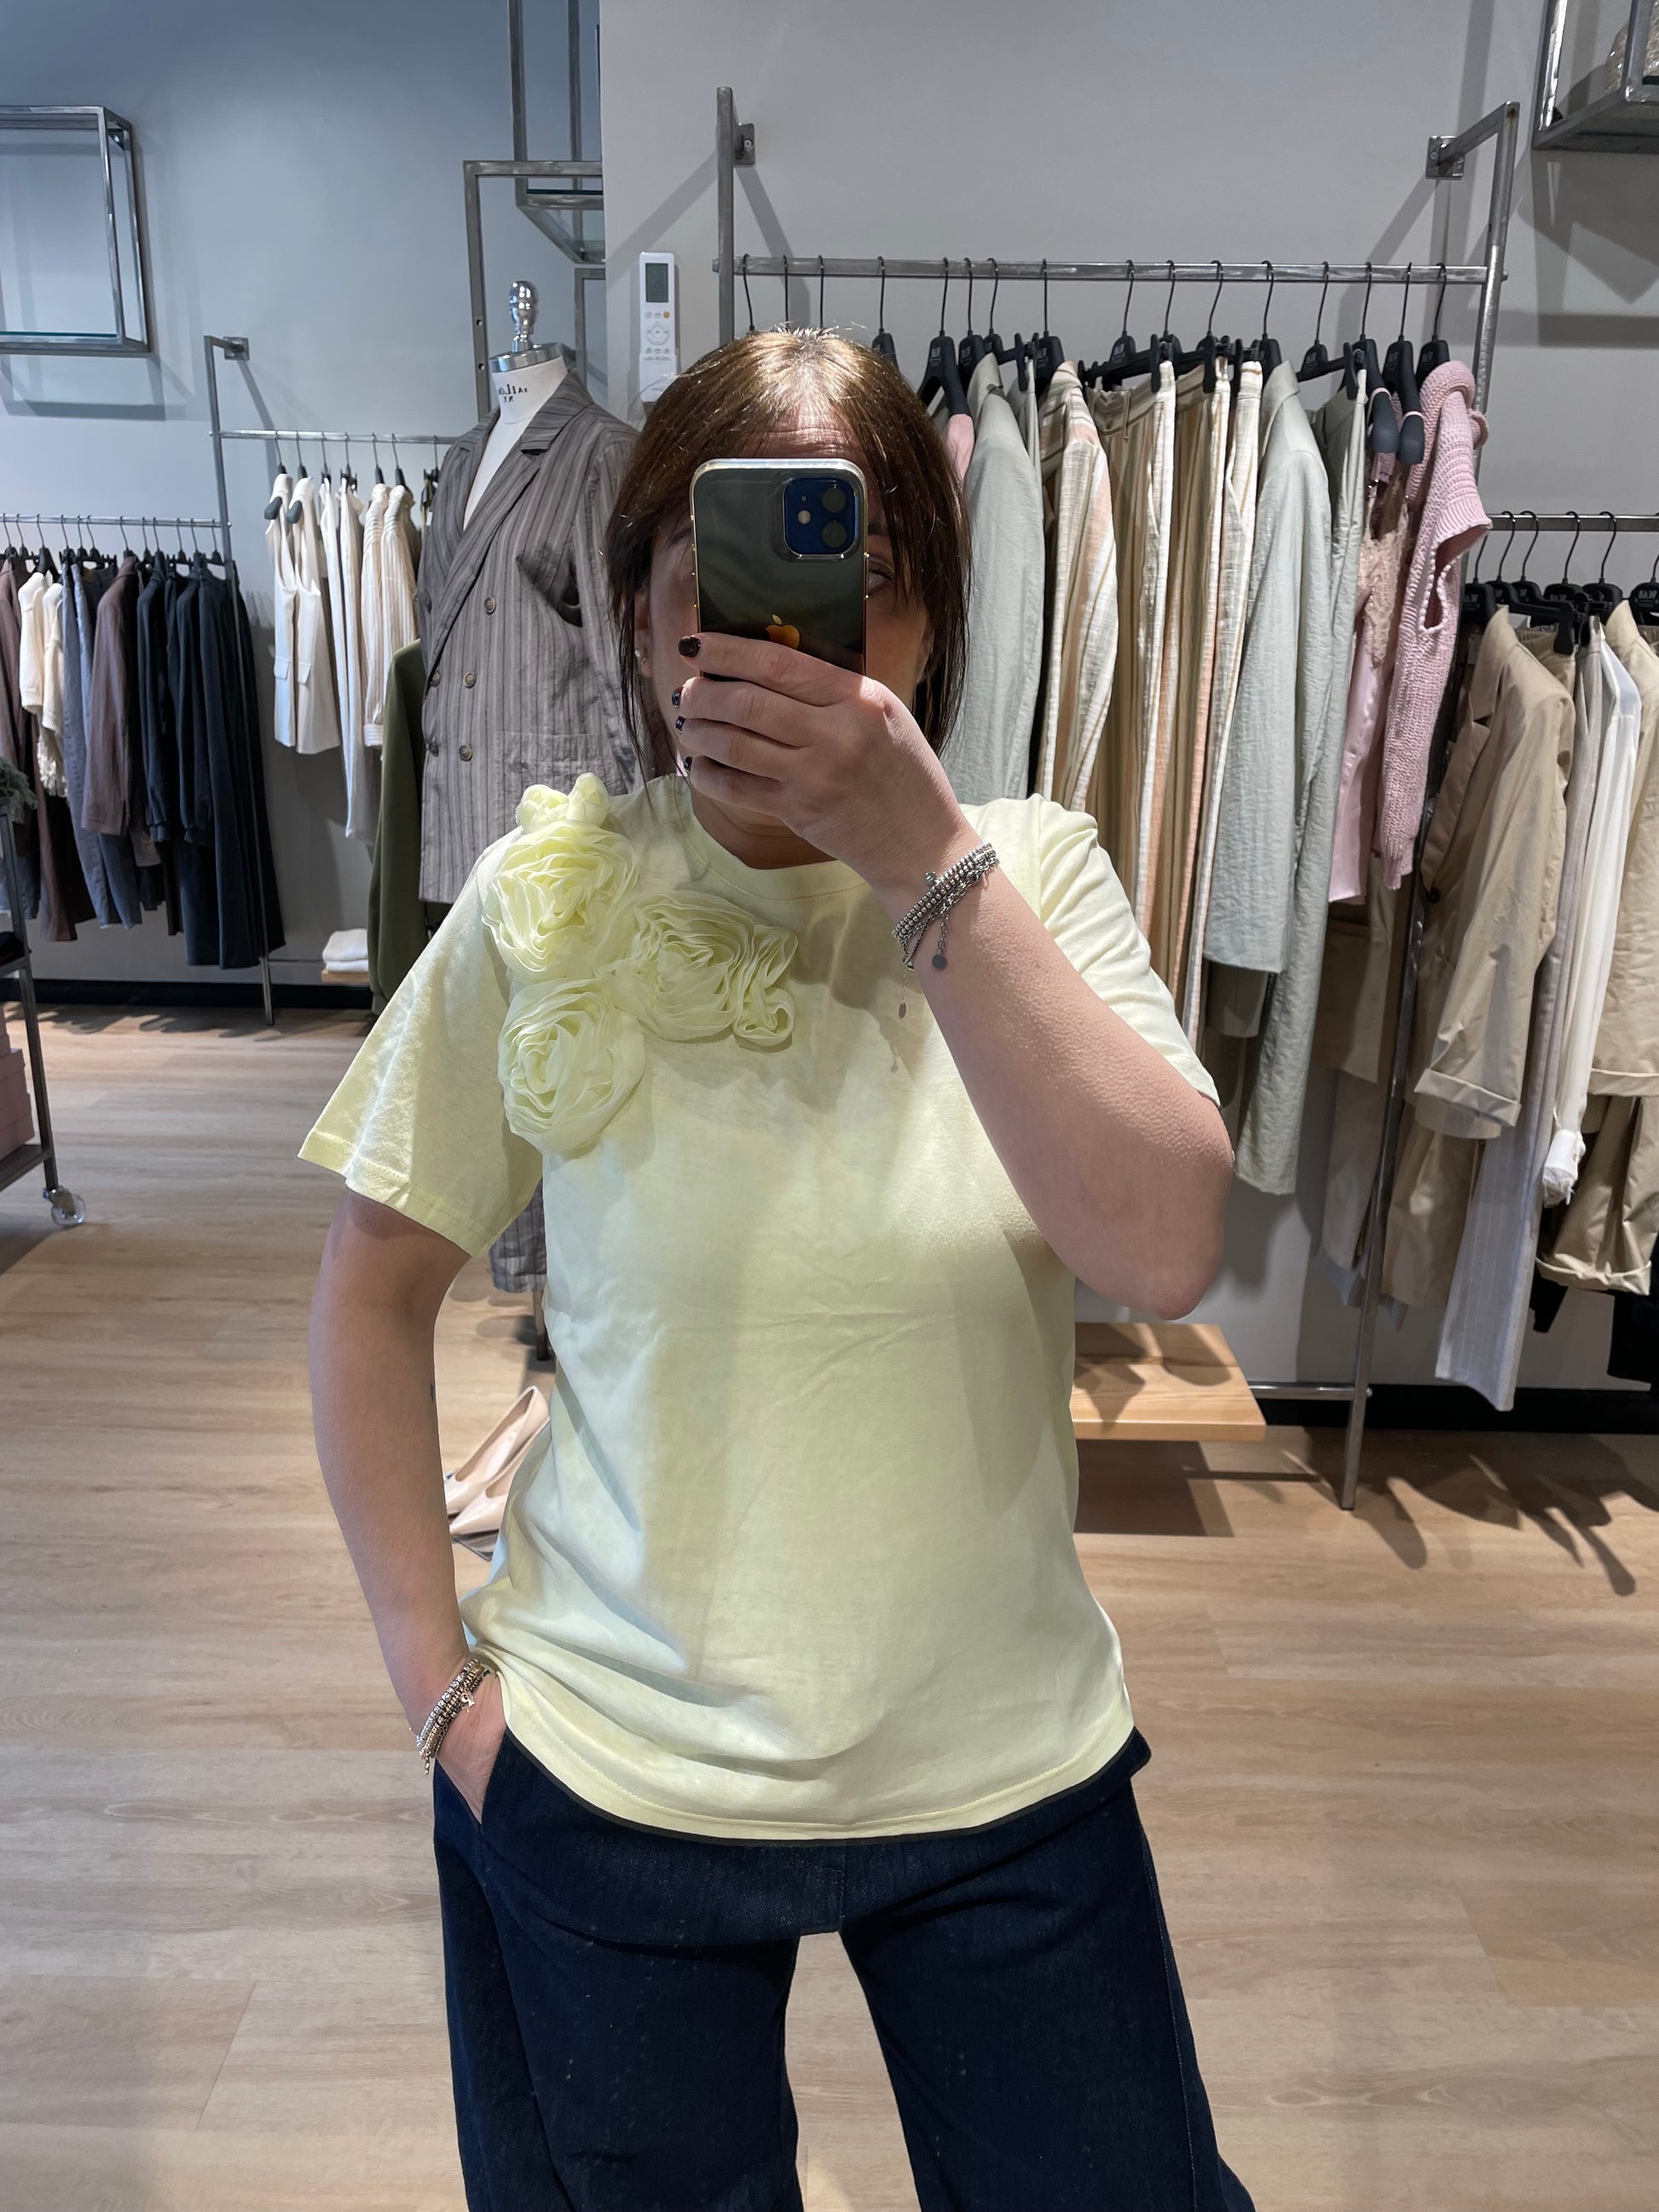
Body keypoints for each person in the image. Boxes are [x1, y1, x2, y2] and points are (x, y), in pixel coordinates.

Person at [304, 328, 1247, 2212]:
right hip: (609, 1761)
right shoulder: (550, 893)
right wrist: (435, 1689)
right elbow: (369, 1290)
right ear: (647, 609)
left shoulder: (1035, 875)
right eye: (724, 564)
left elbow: (1159, 1251)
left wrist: (916, 854)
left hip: (1002, 1760)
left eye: (863, 568)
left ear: (929, 625)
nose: (794, 628)